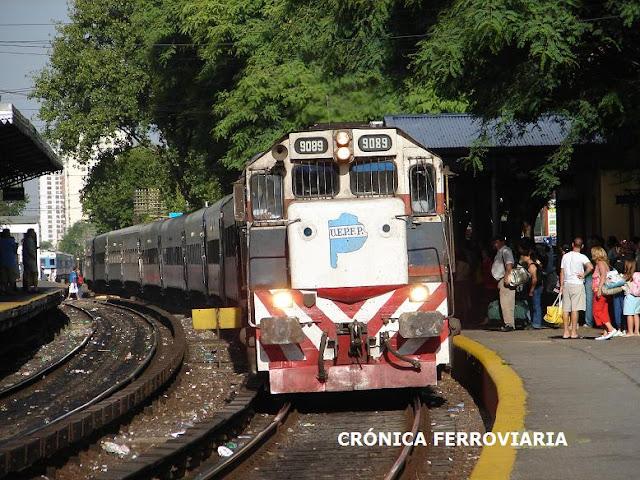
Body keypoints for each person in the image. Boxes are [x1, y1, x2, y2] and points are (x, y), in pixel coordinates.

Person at [560, 237, 593, 339]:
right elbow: (590, 267)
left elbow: (562, 272)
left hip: (566, 284)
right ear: (582, 246)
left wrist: (561, 285)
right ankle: (573, 332)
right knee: (575, 309)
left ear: (572, 245)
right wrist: (584, 274)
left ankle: (565, 331)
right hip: (577, 284)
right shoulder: (582, 257)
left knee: (566, 309)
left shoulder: (565, 256)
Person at [591, 246, 619, 340]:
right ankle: (605, 332)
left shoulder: (600, 263)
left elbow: (603, 276)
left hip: (600, 290)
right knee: (603, 311)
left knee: (597, 310)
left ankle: (610, 329)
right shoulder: (604, 263)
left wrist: (599, 289)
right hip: (602, 290)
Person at [491, 235, 515, 331]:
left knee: (506, 302)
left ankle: (509, 324)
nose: (495, 245)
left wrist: (506, 277)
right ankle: (507, 322)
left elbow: (509, 264)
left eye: (496, 242)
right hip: (501, 279)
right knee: (504, 302)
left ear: (501, 242)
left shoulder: (506, 251)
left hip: (505, 279)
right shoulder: (500, 251)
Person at [520, 248, 544, 329]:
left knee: (536, 305)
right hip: (539, 287)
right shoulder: (536, 263)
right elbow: (541, 265)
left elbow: (534, 279)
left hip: (536, 288)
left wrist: (531, 290)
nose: (523, 258)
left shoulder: (531, 266)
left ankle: (537, 323)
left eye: (524, 256)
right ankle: (534, 322)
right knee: (534, 305)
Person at [621, 259, 639, 336]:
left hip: (630, 297)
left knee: (629, 314)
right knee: (636, 314)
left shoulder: (628, 276)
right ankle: (637, 331)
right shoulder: (637, 275)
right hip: (638, 297)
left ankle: (630, 331)